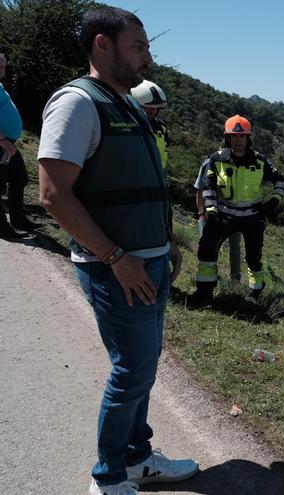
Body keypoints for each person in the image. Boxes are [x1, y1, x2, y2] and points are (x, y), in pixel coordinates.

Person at [37, 7, 197, 494]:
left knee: (144, 368)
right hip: (116, 268)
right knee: (132, 372)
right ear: (102, 45)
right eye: (139, 46)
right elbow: (53, 194)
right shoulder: (77, 103)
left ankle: (136, 457)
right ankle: (107, 479)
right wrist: (115, 258)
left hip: (148, 261)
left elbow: (136, 181)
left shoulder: (124, 103)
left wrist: (164, 242)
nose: (147, 58)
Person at [191, 114, 284, 305]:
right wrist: (211, 209)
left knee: (254, 257)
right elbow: (208, 186)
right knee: (207, 250)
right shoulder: (217, 160)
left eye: (242, 136)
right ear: (227, 138)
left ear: (248, 137)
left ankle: (254, 293)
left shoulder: (260, 160)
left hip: (253, 216)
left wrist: (274, 201)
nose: (238, 141)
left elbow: (281, 181)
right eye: (234, 137)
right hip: (224, 215)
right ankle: (205, 291)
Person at [0, 44, 39, 239]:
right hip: (2, 143)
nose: (1, 70)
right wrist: (2, 139)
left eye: (3, 66)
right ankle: (2, 227)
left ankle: (18, 219)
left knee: (19, 178)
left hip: (8, 144)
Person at [193, 150, 242, 282]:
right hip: (216, 215)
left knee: (232, 245)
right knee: (214, 246)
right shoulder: (208, 164)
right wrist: (202, 213)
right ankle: (213, 275)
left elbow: (199, 190)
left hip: (230, 214)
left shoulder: (212, 163)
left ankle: (234, 278)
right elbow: (200, 190)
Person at [130, 79, 170, 169]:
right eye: (148, 107)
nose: (153, 111)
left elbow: (164, 152)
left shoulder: (161, 128)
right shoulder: (127, 127)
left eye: (156, 108)